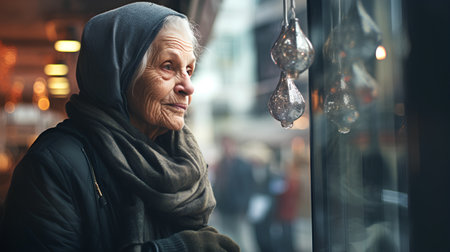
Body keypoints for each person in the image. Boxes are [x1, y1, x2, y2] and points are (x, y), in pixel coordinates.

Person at [0, 2, 239, 252]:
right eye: (168, 66)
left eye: (189, 70)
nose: (188, 87)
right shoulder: (52, 165)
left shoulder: (182, 162)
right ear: (119, 74)